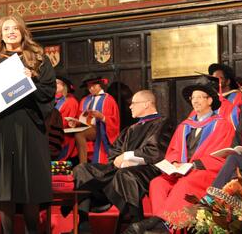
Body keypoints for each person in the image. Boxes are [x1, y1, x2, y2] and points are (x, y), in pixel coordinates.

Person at [0, 14, 56, 234]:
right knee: (3, 186)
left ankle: (32, 231)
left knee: (29, 184)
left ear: (23, 32)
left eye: (15, 28)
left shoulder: (38, 60)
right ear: (0, 34)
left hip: (28, 127)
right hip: (0, 128)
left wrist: (31, 80)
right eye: (6, 29)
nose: (11, 32)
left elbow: (49, 93)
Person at [130, 79, 235, 233]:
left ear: (210, 100)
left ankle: (163, 224)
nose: (196, 101)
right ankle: (163, 224)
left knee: (185, 184)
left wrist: (194, 165)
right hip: (182, 172)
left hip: (205, 172)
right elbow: (173, 151)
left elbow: (221, 155)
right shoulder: (185, 125)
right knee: (157, 183)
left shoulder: (222, 125)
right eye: (193, 98)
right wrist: (174, 163)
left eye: (200, 97)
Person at [71, 90, 172, 233]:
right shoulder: (131, 128)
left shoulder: (162, 123)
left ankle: (135, 221)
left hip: (148, 170)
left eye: (134, 103)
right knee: (82, 169)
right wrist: (123, 160)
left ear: (147, 104)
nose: (130, 107)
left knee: (125, 174)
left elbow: (155, 152)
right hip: (121, 168)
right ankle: (83, 222)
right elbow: (114, 153)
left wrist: (127, 157)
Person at [71, 74, 120, 163]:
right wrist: (76, 123)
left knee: (79, 134)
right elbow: (81, 117)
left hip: (101, 128)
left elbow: (115, 121)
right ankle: (82, 164)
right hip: (87, 127)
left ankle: (83, 164)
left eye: (93, 86)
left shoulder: (108, 99)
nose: (91, 89)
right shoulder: (85, 100)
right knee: (75, 134)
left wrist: (102, 117)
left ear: (100, 85)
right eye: (89, 87)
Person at [55, 75, 79, 160]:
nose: (54, 85)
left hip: (64, 136)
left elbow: (66, 122)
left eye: (57, 83)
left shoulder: (70, 101)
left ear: (64, 86)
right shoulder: (51, 100)